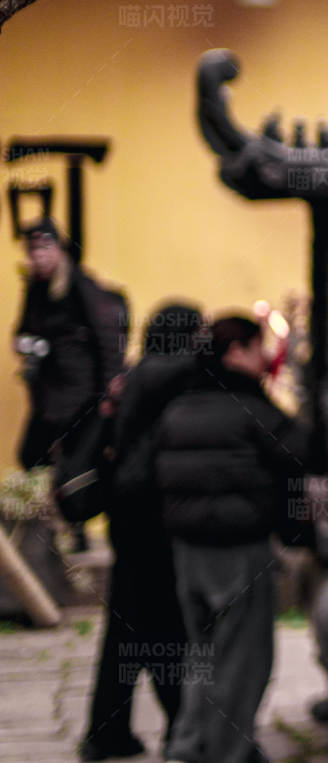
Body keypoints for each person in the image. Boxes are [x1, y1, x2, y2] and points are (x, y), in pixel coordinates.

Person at [156, 315, 318, 763]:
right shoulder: (249, 407)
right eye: (256, 346)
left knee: (202, 657)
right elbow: (302, 451)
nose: (265, 356)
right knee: (242, 662)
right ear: (234, 353)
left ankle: (187, 747)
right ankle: (229, 752)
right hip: (239, 550)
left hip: (188, 550)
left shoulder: (179, 407)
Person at [79, 302, 203, 761]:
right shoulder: (171, 376)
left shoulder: (133, 375)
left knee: (125, 632)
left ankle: (106, 733)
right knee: (164, 630)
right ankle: (178, 728)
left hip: (126, 519)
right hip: (155, 518)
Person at [13, 219, 126, 475]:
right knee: (32, 457)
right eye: (33, 250)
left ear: (58, 249)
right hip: (47, 394)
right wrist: (28, 344)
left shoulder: (80, 285)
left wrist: (110, 391)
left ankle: (67, 512)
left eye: (45, 248)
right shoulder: (36, 288)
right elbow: (22, 330)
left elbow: (110, 337)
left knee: (74, 466)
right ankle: (48, 510)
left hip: (80, 395)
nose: (39, 256)